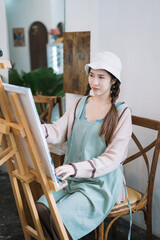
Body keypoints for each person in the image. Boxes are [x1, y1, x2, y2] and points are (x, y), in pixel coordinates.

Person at [36, 51, 132, 240]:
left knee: (58, 219)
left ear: (113, 80)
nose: (94, 82)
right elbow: (57, 131)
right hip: (72, 178)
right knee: (40, 208)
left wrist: (74, 168)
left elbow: (112, 160)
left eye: (101, 77)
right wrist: (34, 127)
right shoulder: (80, 103)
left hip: (101, 184)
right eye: (91, 75)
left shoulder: (122, 113)